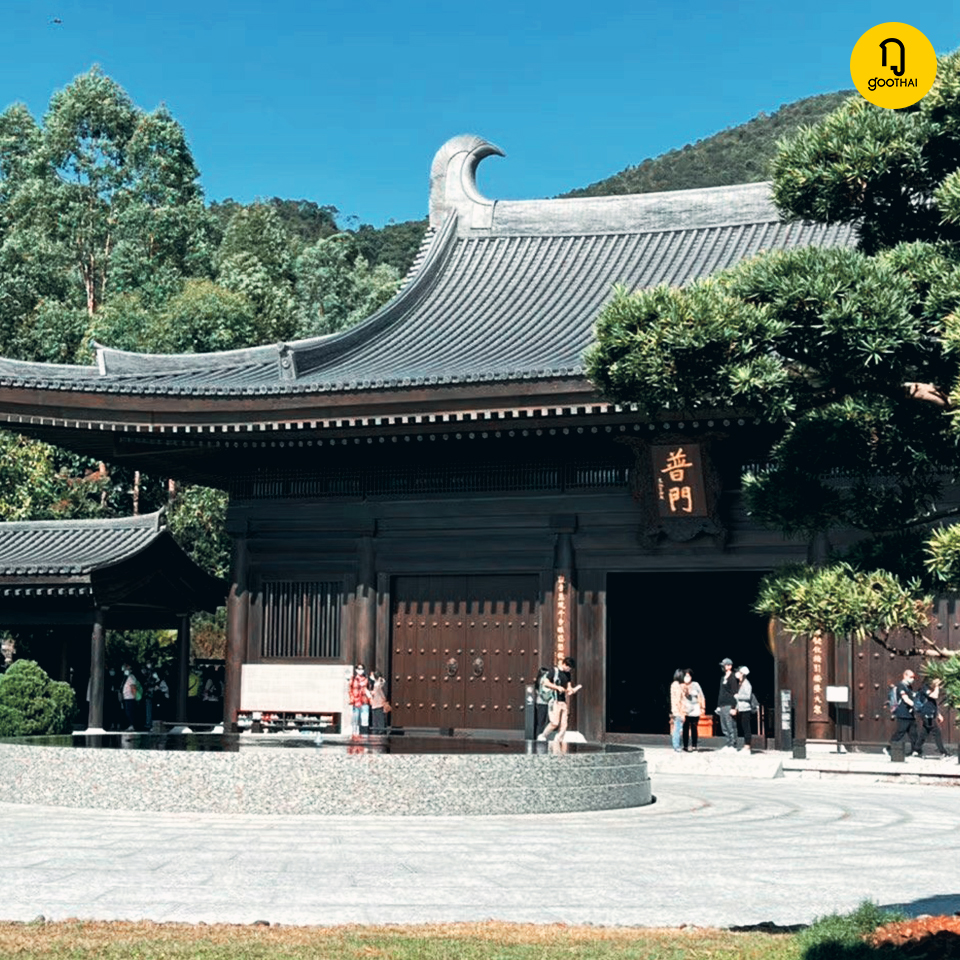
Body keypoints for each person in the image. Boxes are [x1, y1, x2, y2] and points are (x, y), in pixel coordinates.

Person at [537, 656, 581, 743]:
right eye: (569, 668)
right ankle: (542, 735)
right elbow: (545, 683)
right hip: (554, 700)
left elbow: (568, 687)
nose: (569, 670)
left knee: (564, 724)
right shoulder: (554, 671)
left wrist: (572, 690)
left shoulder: (567, 674)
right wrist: (557, 687)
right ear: (564, 664)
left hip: (563, 701)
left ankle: (558, 740)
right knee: (555, 723)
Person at [913, 676, 949, 759]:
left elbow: (933, 703)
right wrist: (936, 686)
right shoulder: (924, 688)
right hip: (926, 714)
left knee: (924, 732)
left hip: (931, 714)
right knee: (937, 732)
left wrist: (938, 714)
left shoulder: (929, 689)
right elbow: (934, 696)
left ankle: (916, 749)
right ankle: (943, 751)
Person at [888, 668, 920, 757]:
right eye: (910, 677)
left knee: (913, 733)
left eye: (913, 677)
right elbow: (905, 699)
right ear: (905, 676)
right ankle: (889, 748)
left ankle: (915, 751)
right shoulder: (901, 686)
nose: (912, 679)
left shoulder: (909, 686)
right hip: (903, 713)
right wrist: (916, 706)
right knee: (900, 732)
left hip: (910, 714)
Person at [680, 669, 706, 752]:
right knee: (685, 727)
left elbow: (701, 695)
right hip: (685, 709)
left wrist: (703, 707)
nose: (687, 678)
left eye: (688, 676)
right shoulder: (681, 685)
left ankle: (694, 745)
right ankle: (685, 746)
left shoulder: (696, 684)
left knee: (694, 727)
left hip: (695, 708)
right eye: (685, 676)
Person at [717, 657, 738, 750]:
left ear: (730, 666)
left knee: (730, 724)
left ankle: (733, 743)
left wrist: (734, 707)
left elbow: (735, 693)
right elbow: (721, 692)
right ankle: (728, 742)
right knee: (724, 725)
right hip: (722, 704)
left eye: (725, 665)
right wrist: (718, 705)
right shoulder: (722, 678)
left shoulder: (733, 677)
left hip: (729, 704)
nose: (723, 667)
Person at [733, 666, 754, 752]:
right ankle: (745, 745)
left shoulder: (746, 684)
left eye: (739, 672)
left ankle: (747, 746)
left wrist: (738, 696)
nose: (737, 674)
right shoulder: (740, 683)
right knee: (743, 726)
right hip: (741, 708)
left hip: (746, 709)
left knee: (746, 727)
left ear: (742, 674)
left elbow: (748, 696)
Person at [348, 664, 371, 737]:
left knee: (365, 720)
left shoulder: (366, 678)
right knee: (355, 720)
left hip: (364, 701)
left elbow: (369, 688)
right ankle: (354, 735)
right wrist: (352, 698)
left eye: (362, 669)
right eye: (359, 669)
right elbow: (350, 689)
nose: (360, 670)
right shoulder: (353, 678)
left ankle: (364, 735)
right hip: (356, 701)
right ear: (356, 670)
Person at [120, 662, 140, 731]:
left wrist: (135, 697)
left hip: (130, 698)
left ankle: (132, 725)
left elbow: (133, 688)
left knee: (130, 712)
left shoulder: (131, 677)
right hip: (126, 698)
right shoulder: (126, 678)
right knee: (128, 712)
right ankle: (130, 725)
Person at [669, 668, 684, 753]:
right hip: (677, 711)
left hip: (675, 710)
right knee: (677, 728)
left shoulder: (674, 684)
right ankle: (676, 746)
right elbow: (678, 700)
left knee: (677, 728)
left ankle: (677, 745)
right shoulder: (676, 685)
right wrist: (681, 712)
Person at [368, 670, 388, 734]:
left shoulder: (378, 684)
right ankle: (377, 730)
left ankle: (379, 730)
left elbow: (381, 683)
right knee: (377, 718)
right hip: (376, 703)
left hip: (378, 703)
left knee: (378, 718)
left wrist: (379, 678)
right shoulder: (376, 683)